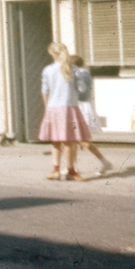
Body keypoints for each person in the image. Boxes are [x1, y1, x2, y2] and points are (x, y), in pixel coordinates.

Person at [39, 42, 90, 181]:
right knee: (69, 142)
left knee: (56, 141)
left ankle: (55, 170)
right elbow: (82, 89)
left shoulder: (47, 70)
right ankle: (71, 171)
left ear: (53, 54)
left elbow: (45, 91)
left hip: (53, 108)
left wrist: (47, 108)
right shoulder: (74, 69)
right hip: (69, 107)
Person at [71, 55, 114, 175]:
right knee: (73, 140)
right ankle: (72, 166)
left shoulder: (81, 75)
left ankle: (104, 162)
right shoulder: (82, 74)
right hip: (81, 107)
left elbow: (81, 92)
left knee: (80, 139)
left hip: (81, 108)